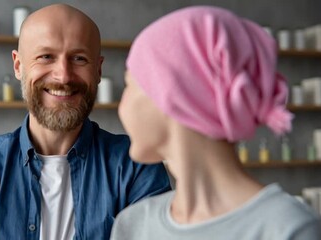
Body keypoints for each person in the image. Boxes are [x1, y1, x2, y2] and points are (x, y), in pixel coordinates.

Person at [0, 4, 170, 239]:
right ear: (18, 66)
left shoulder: (137, 166)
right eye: (46, 57)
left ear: (98, 70)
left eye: (79, 58)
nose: (63, 75)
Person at [110, 6, 321, 240]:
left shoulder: (289, 229)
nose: (122, 106)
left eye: (130, 84)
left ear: (171, 96)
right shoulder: (132, 225)